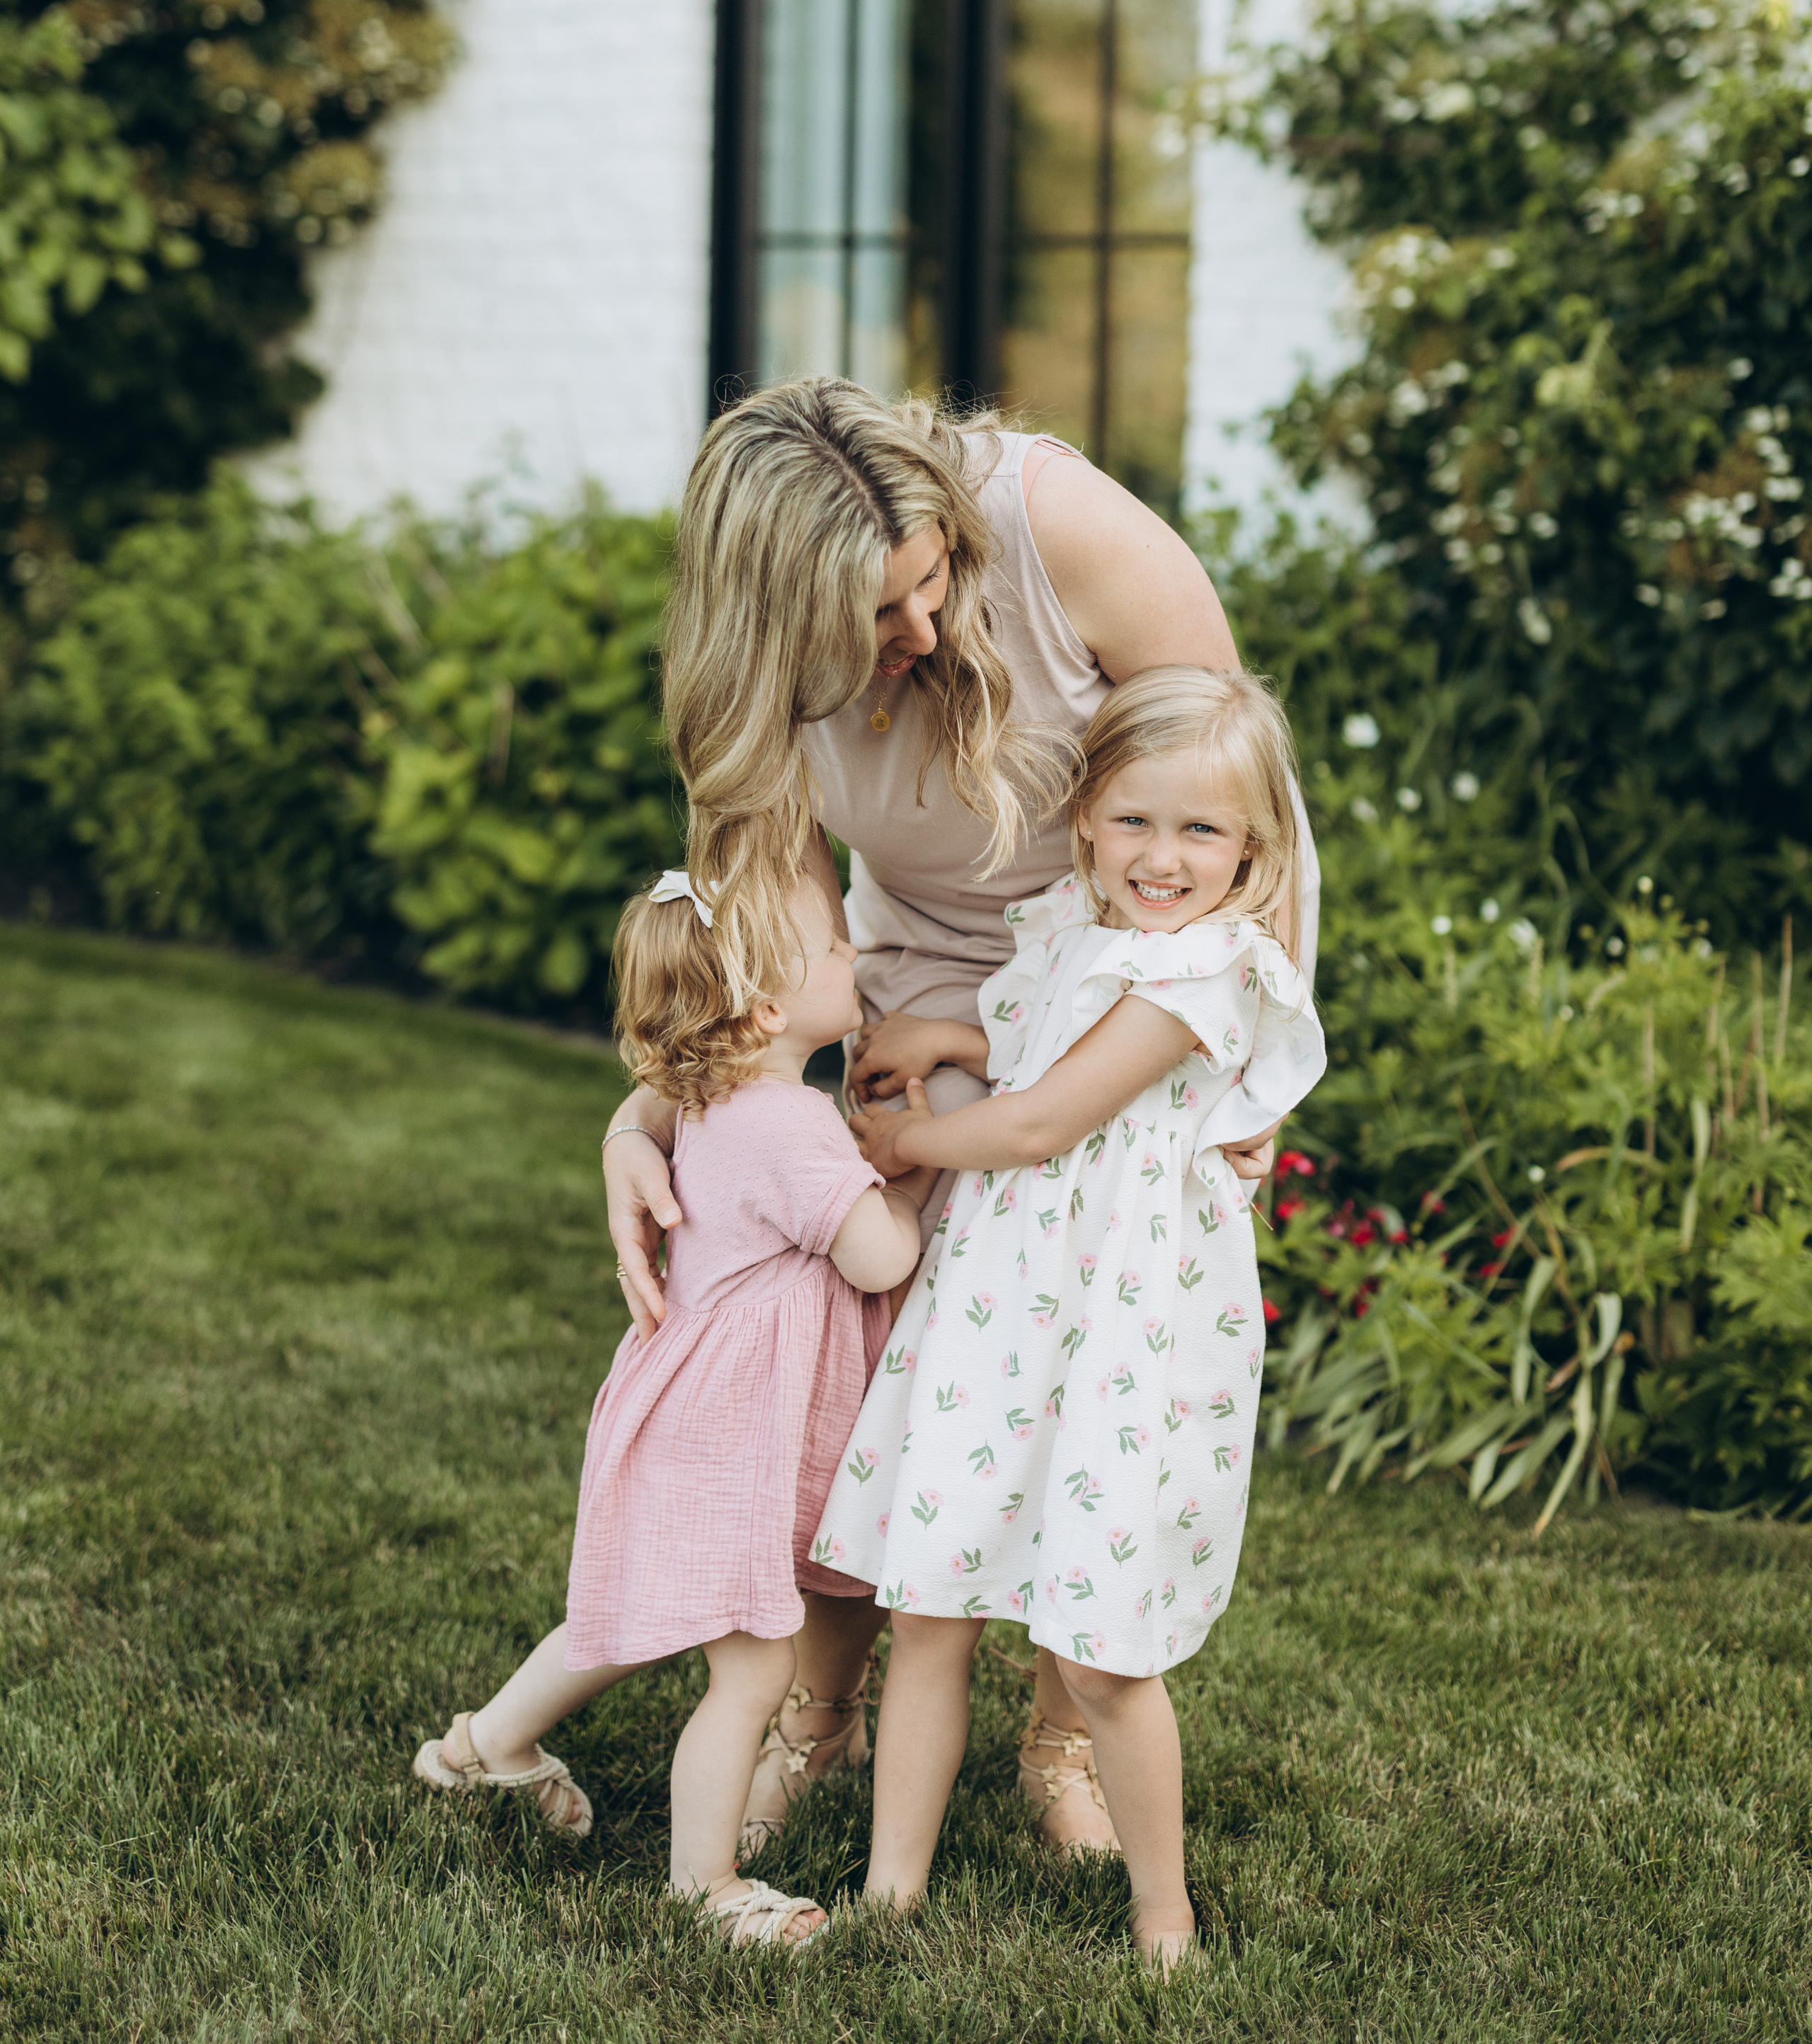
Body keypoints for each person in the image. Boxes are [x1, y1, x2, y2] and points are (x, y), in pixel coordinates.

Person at [601, 380, 1317, 1851]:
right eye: (872, 618)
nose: (917, 632)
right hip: (921, 982)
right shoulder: (750, 691)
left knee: (1091, 1368)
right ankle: (823, 1711)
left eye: (928, 580)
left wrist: (1247, 1059)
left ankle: (1063, 1744)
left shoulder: (1066, 532)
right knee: (860, 1357)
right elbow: (772, 940)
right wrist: (674, 1114)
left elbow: (1246, 801)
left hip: (1125, 984)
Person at [819, 667, 1327, 1971]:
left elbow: (1048, 1118)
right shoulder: (1069, 927)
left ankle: (1165, 1910)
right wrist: (943, 1028)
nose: (1164, 858)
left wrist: (912, 1135)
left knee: (1102, 1647)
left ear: (1253, 849)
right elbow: (1031, 1045)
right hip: (1002, 1307)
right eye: (1136, 821)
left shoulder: (1214, 971)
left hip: (1122, 1324)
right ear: (1089, 818)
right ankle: (891, 1893)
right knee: (930, 1608)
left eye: (1203, 831)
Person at [413, 867, 929, 1951]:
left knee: (639, 1607)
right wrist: (910, 1170)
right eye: (838, 952)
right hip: (727, 1432)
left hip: (684, 1413)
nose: (856, 960)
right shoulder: (791, 1125)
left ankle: (486, 1744)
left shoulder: (704, 1104)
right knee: (752, 1668)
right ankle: (706, 1884)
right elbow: (881, 1260)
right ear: (775, 1011)